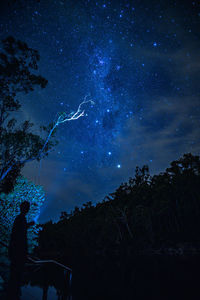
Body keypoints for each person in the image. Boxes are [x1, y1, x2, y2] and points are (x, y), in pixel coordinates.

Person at [6, 201, 35, 300]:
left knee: (14, 275)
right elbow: (19, 236)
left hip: (16, 252)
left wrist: (28, 225)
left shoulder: (20, 219)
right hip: (18, 253)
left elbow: (17, 232)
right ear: (26, 208)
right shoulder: (21, 219)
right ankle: (13, 295)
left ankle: (12, 293)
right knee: (16, 275)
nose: (28, 209)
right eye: (27, 207)